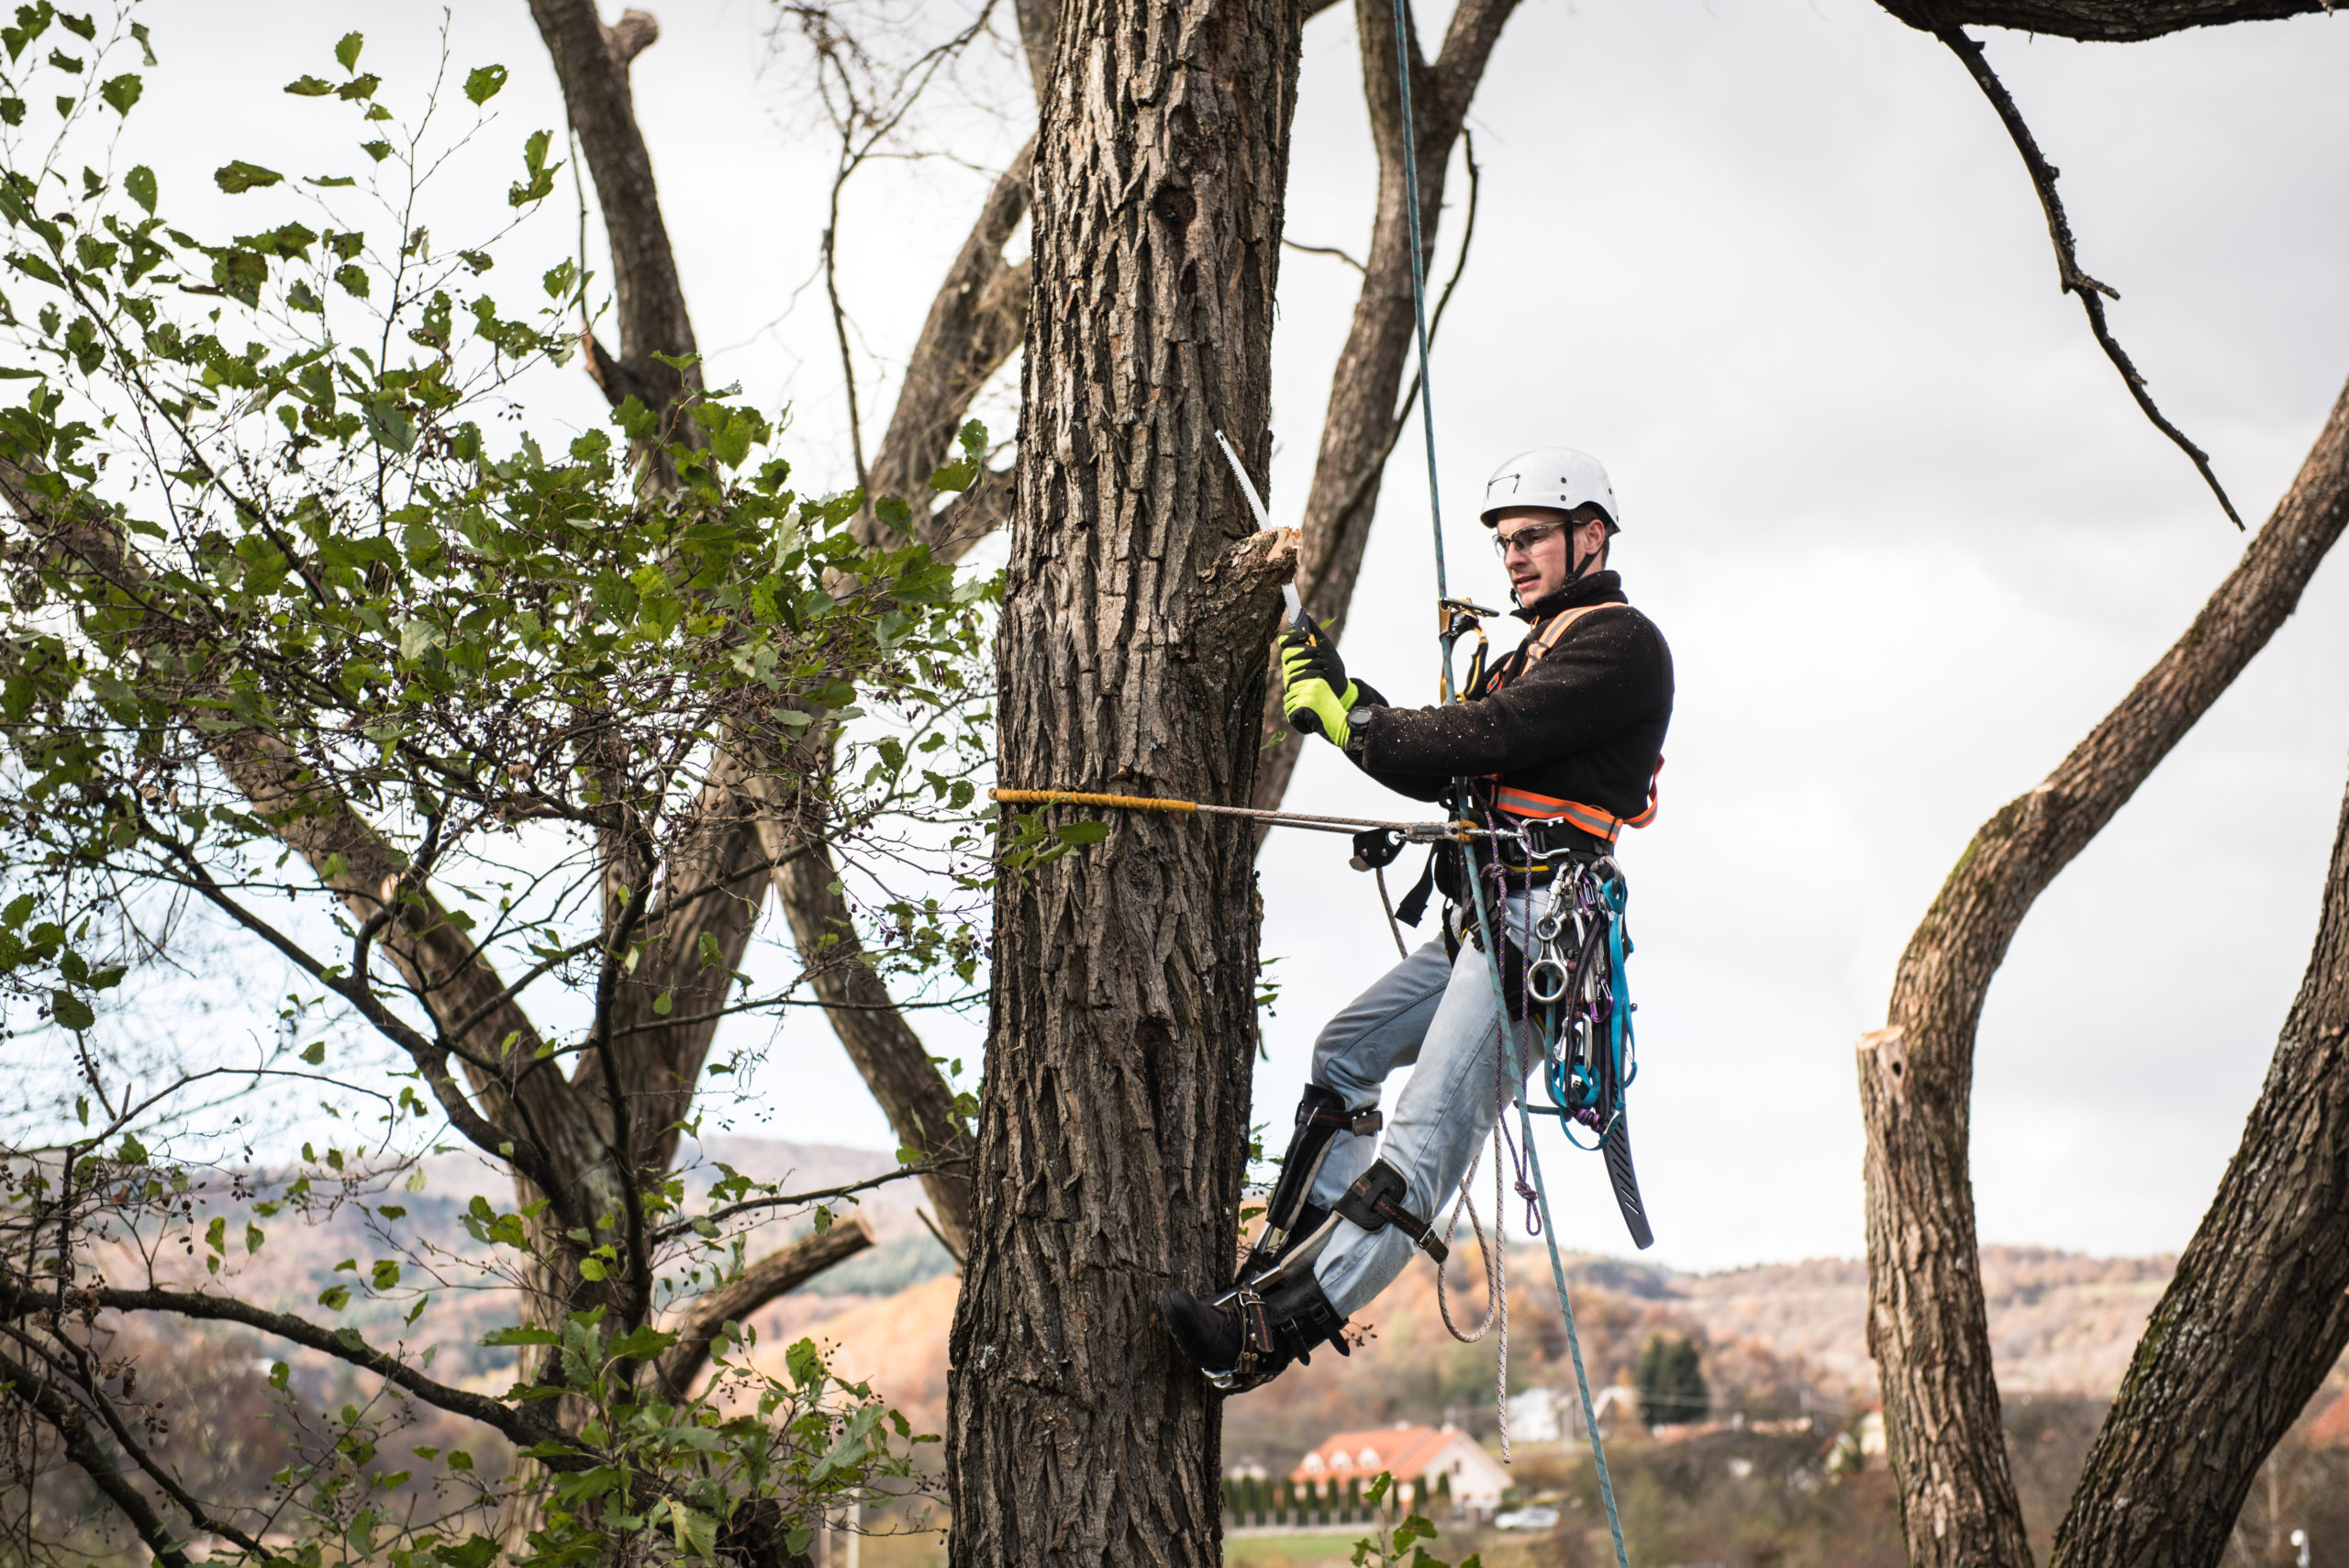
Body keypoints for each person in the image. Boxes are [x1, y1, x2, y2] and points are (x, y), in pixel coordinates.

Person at [1158, 446, 1675, 1392]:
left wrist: (1352, 719)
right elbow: (1446, 759)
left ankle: (1262, 1332)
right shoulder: (1535, 646)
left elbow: (1491, 737)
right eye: (1505, 544)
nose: (1513, 559)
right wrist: (1349, 698)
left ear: (1589, 536)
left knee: (1422, 1142)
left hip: (1534, 936)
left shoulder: (1619, 644)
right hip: (1485, 915)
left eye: (1531, 540)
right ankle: (1293, 1251)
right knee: (1344, 1049)